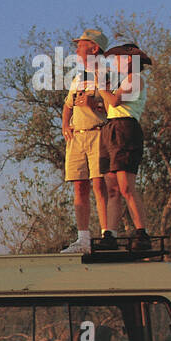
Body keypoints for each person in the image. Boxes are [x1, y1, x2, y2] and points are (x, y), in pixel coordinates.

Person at [60, 28, 117, 253]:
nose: (76, 49)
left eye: (81, 45)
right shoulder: (78, 77)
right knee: (79, 186)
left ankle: (107, 235)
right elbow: (68, 105)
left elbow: (115, 105)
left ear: (94, 48)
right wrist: (65, 125)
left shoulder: (107, 74)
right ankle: (83, 239)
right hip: (77, 136)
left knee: (99, 185)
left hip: (98, 133)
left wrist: (94, 105)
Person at [100, 41, 153, 250]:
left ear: (130, 60)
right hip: (111, 128)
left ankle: (142, 232)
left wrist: (100, 86)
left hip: (125, 128)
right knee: (111, 187)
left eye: (119, 58)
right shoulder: (121, 81)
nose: (116, 62)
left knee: (126, 186)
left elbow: (114, 102)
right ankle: (110, 234)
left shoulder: (136, 79)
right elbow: (108, 106)